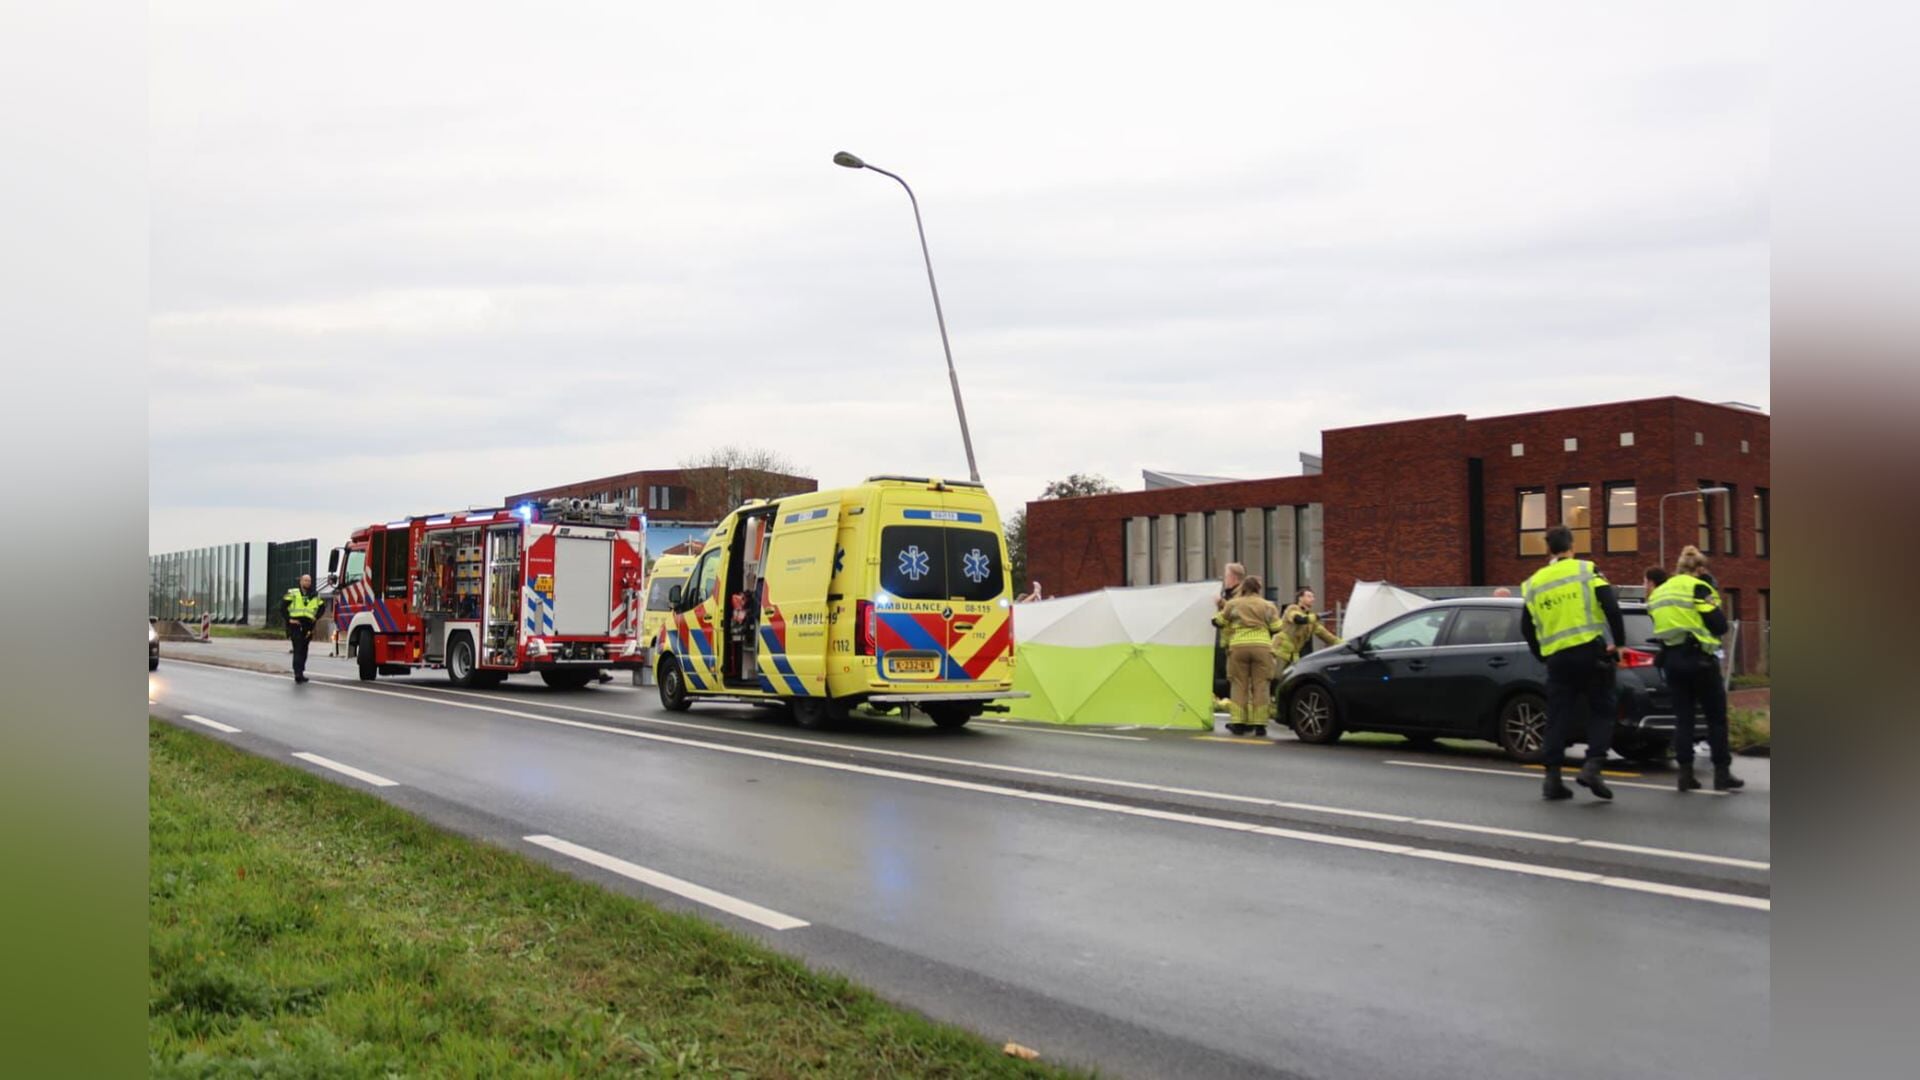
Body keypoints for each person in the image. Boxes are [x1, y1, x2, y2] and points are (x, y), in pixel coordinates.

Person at [1520, 525, 1628, 800]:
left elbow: (1526, 627)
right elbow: (1610, 606)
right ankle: (1592, 765)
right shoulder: (1586, 569)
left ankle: (1552, 779)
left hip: (1558, 660)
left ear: (1549, 549)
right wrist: (1620, 643)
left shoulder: (1534, 582)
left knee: (1557, 716)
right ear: (1572, 546)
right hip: (1590, 653)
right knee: (1602, 710)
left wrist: (1542, 654)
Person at [1650, 546, 1741, 791]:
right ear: (1700, 569)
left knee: (1684, 719)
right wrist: (1711, 595)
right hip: (1700, 661)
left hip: (1672, 661)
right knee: (1716, 719)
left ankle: (1685, 774)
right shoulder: (1699, 588)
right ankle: (1722, 774)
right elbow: (1719, 625)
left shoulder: (1659, 592)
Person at [1212, 575, 1284, 736]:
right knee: (1261, 685)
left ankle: (1238, 723)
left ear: (1243, 588)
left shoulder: (1233, 604)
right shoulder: (1268, 606)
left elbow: (1219, 622)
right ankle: (1260, 725)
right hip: (1262, 647)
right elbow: (1277, 627)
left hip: (1238, 646)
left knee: (1238, 684)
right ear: (1258, 589)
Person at [282, 573, 327, 684]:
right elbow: (282, 608)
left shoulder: (315, 595)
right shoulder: (293, 593)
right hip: (295, 625)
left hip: (308, 626)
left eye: (309, 581)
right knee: (298, 648)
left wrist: (316, 618)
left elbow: (322, 608)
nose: (307, 583)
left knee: (304, 650)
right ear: (301, 582)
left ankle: (301, 672)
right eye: (305, 580)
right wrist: (289, 620)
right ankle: (297, 673)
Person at [1212, 562, 1247, 699]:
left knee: (1235, 676)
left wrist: (1221, 603)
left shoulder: (1241, 595)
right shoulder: (1229, 594)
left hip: (1237, 642)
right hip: (1228, 642)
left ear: (1233, 577)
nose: (1224, 580)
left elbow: (1237, 611)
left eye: (1226, 576)